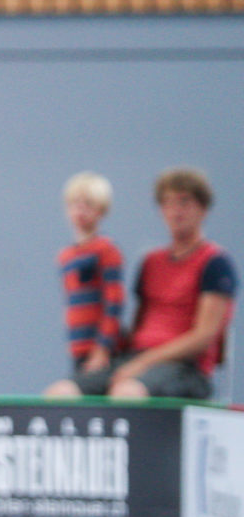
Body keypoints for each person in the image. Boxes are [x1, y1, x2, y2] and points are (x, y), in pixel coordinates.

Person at [46, 167, 235, 400]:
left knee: (127, 392)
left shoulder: (215, 262)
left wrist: (143, 363)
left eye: (184, 202)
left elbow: (204, 335)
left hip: (186, 368)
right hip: (134, 359)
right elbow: (138, 323)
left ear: (202, 208)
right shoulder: (150, 262)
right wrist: (105, 352)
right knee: (61, 392)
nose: (176, 212)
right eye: (168, 203)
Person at [42, 172, 125, 394]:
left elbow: (114, 302)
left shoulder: (106, 250)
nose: (80, 210)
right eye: (74, 204)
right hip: (78, 346)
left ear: (101, 210)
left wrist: (103, 348)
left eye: (88, 204)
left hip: (101, 351)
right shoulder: (66, 255)